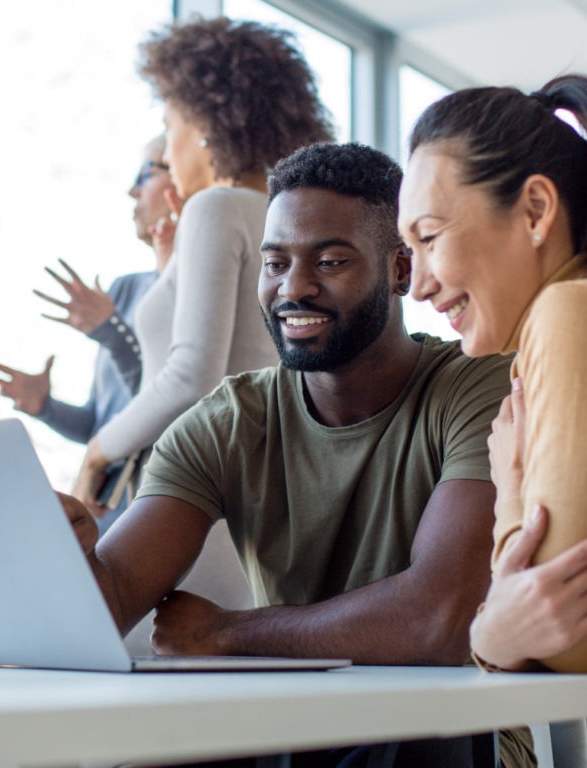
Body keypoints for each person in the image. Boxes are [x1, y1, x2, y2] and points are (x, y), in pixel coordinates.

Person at [63, 142, 533, 767]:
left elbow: (439, 621)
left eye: (331, 261)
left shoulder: (477, 387)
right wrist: (60, 560)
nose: (295, 288)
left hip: (451, 730)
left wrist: (229, 633)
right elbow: (114, 596)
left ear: (400, 270)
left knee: (402, 737)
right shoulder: (227, 422)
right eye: (275, 263)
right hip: (298, 724)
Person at [71, 17, 334, 515]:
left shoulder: (215, 208)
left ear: (207, 122)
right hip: (253, 484)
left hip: (191, 492)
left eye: (171, 127)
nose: (169, 149)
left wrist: (96, 451)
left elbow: (192, 375)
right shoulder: (286, 215)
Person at [398, 73, 587, 674]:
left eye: (429, 237)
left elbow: (558, 630)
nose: (419, 284)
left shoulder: (566, 312)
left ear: (535, 210)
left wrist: (509, 491)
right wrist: (493, 636)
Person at [0, 134, 177, 532]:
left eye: (146, 173)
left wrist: (111, 332)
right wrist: (46, 407)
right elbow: (99, 424)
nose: (131, 190)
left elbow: (170, 399)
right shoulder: (123, 289)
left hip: (152, 504)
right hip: (103, 508)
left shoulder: (195, 296)